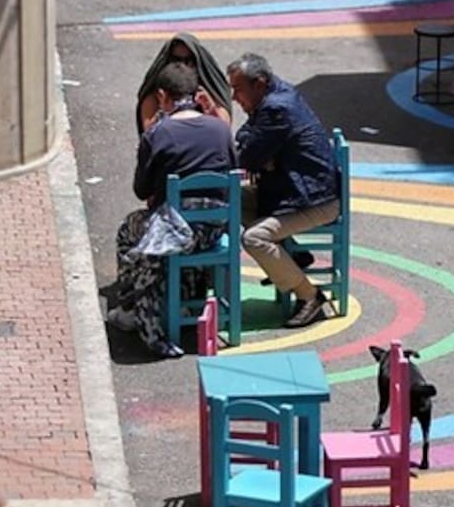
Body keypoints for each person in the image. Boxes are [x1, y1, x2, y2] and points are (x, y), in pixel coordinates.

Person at [109, 62, 239, 357]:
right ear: (196, 93)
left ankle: (132, 306)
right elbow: (234, 170)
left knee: (128, 231)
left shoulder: (159, 133)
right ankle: (185, 294)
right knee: (165, 231)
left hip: (175, 232)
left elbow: (142, 190)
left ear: (163, 95)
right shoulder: (220, 128)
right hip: (214, 228)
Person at [228, 53, 340, 329]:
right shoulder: (275, 95)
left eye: (238, 89)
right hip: (291, 191)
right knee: (232, 201)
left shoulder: (276, 108)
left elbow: (245, 157)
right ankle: (293, 255)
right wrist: (261, 154)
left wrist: (260, 156)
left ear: (260, 83)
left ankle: (310, 296)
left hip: (313, 201)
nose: (234, 97)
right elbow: (246, 139)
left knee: (254, 239)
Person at [136, 32, 232, 135]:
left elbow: (224, 130)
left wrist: (211, 108)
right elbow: (148, 133)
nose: (182, 66)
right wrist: (164, 110)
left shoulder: (208, 90)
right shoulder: (158, 94)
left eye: (188, 60)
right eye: (176, 60)